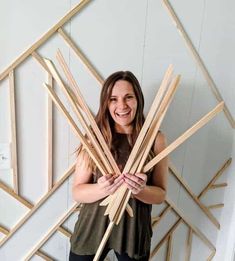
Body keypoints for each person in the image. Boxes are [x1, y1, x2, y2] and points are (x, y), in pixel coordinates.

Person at [69, 71, 168, 261]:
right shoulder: (94, 138)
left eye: (128, 97)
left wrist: (140, 190)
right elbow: (77, 192)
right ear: (106, 103)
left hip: (133, 233)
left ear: (138, 99)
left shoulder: (155, 139)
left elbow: (160, 195)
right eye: (113, 99)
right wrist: (101, 188)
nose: (121, 105)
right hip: (91, 228)